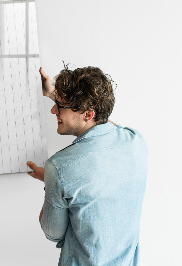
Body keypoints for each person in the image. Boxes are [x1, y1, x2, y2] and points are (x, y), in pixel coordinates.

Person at [27, 66, 147, 265]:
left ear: (88, 114)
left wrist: (51, 180)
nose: (53, 110)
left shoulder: (59, 167)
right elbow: (105, 125)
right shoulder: (135, 141)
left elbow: (52, 233)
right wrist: (53, 94)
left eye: (60, 106)